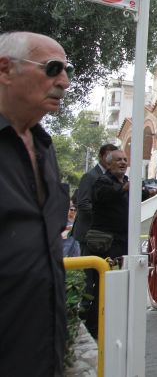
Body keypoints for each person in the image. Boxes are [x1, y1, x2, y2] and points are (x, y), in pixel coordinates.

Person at [0, 31, 73, 376]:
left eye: (68, 70)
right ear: (5, 69)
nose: (65, 82)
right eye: (53, 68)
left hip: (44, 352)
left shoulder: (44, 148)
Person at [84, 148, 157, 338]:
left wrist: (154, 191)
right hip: (106, 243)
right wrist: (124, 188)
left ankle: (113, 324)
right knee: (103, 285)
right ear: (108, 163)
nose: (123, 163)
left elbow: (138, 194)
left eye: (125, 159)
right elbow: (105, 195)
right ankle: (94, 328)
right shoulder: (102, 182)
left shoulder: (125, 183)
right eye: (118, 160)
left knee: (120, 285)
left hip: (122, 241)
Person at [71, 143, 118, 256]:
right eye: (108, 156)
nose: (111, 159)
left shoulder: (112, 177)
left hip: (104, 235)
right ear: (101, 157)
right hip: (88, 234)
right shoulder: (90, 176)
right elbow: (83, 204)